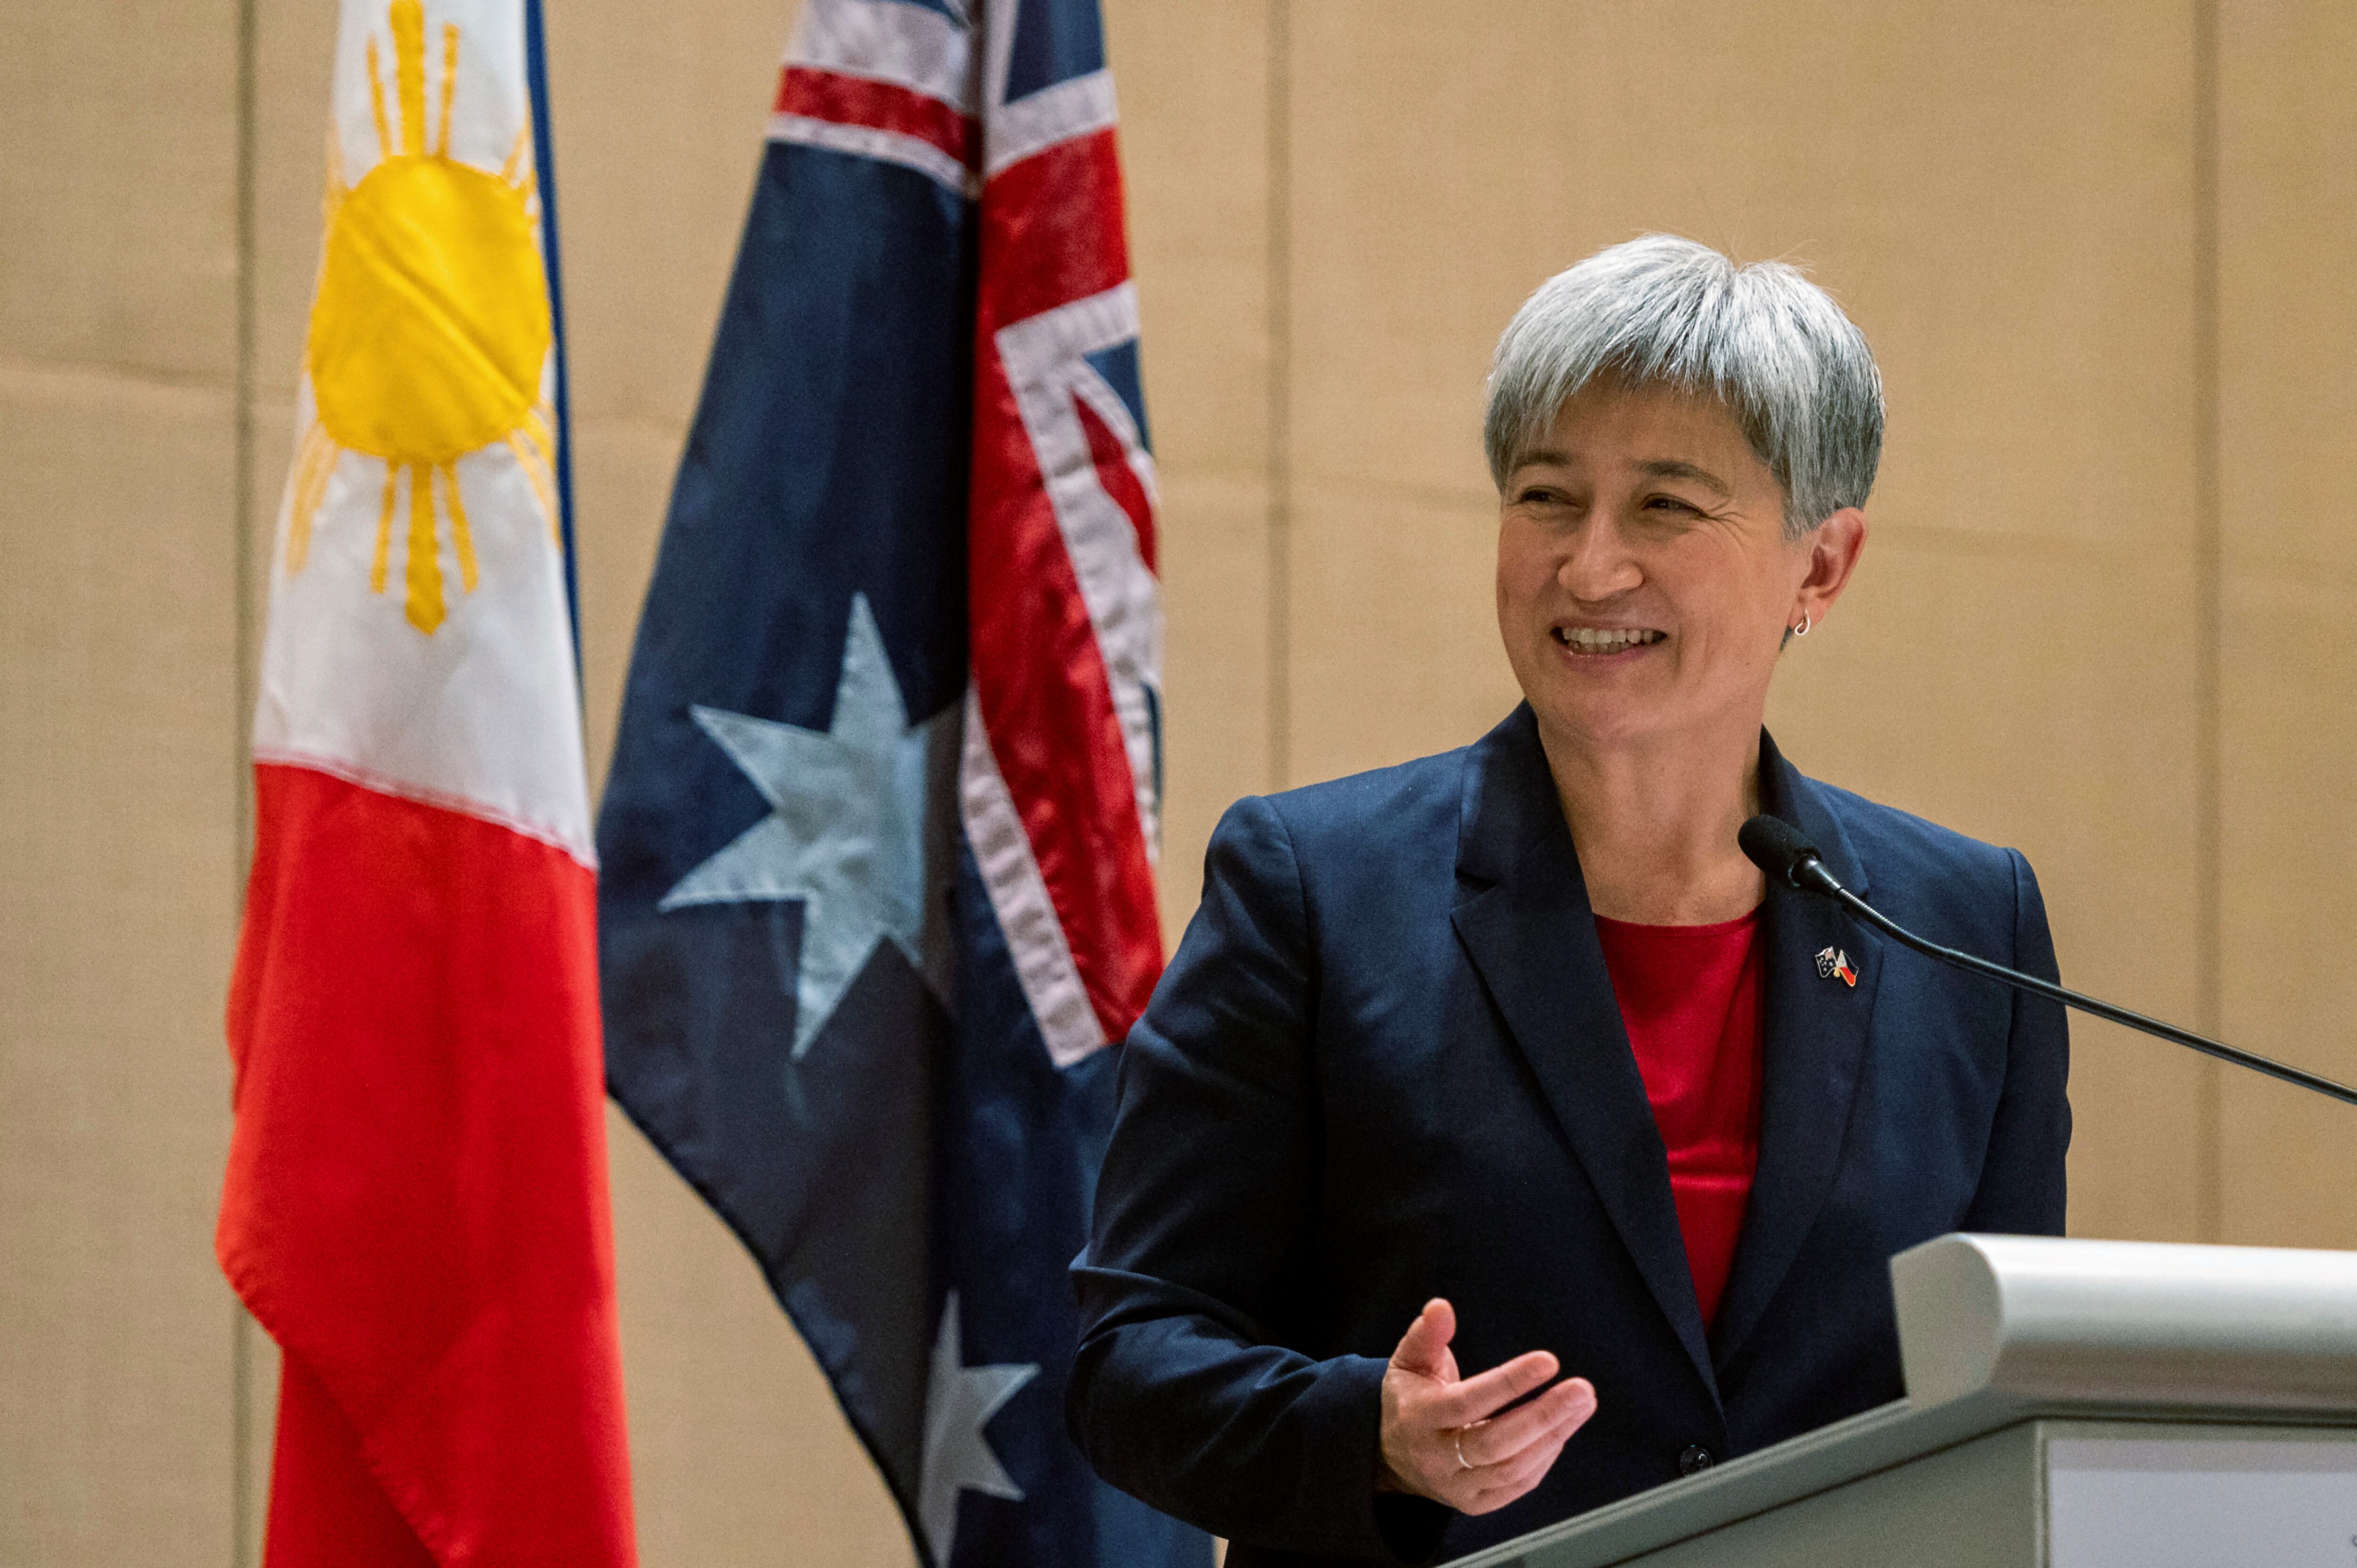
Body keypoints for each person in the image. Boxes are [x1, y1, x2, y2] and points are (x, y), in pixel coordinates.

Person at [1065, 234, 2071, 1566]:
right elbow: (1129, 1361)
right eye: (1547, 498)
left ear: (1820, 567)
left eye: (1666, 506)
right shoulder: (1316, 889)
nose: (1591, 569)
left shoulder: (1962, 928)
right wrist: (1368, 1429)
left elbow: (2003, 1397)